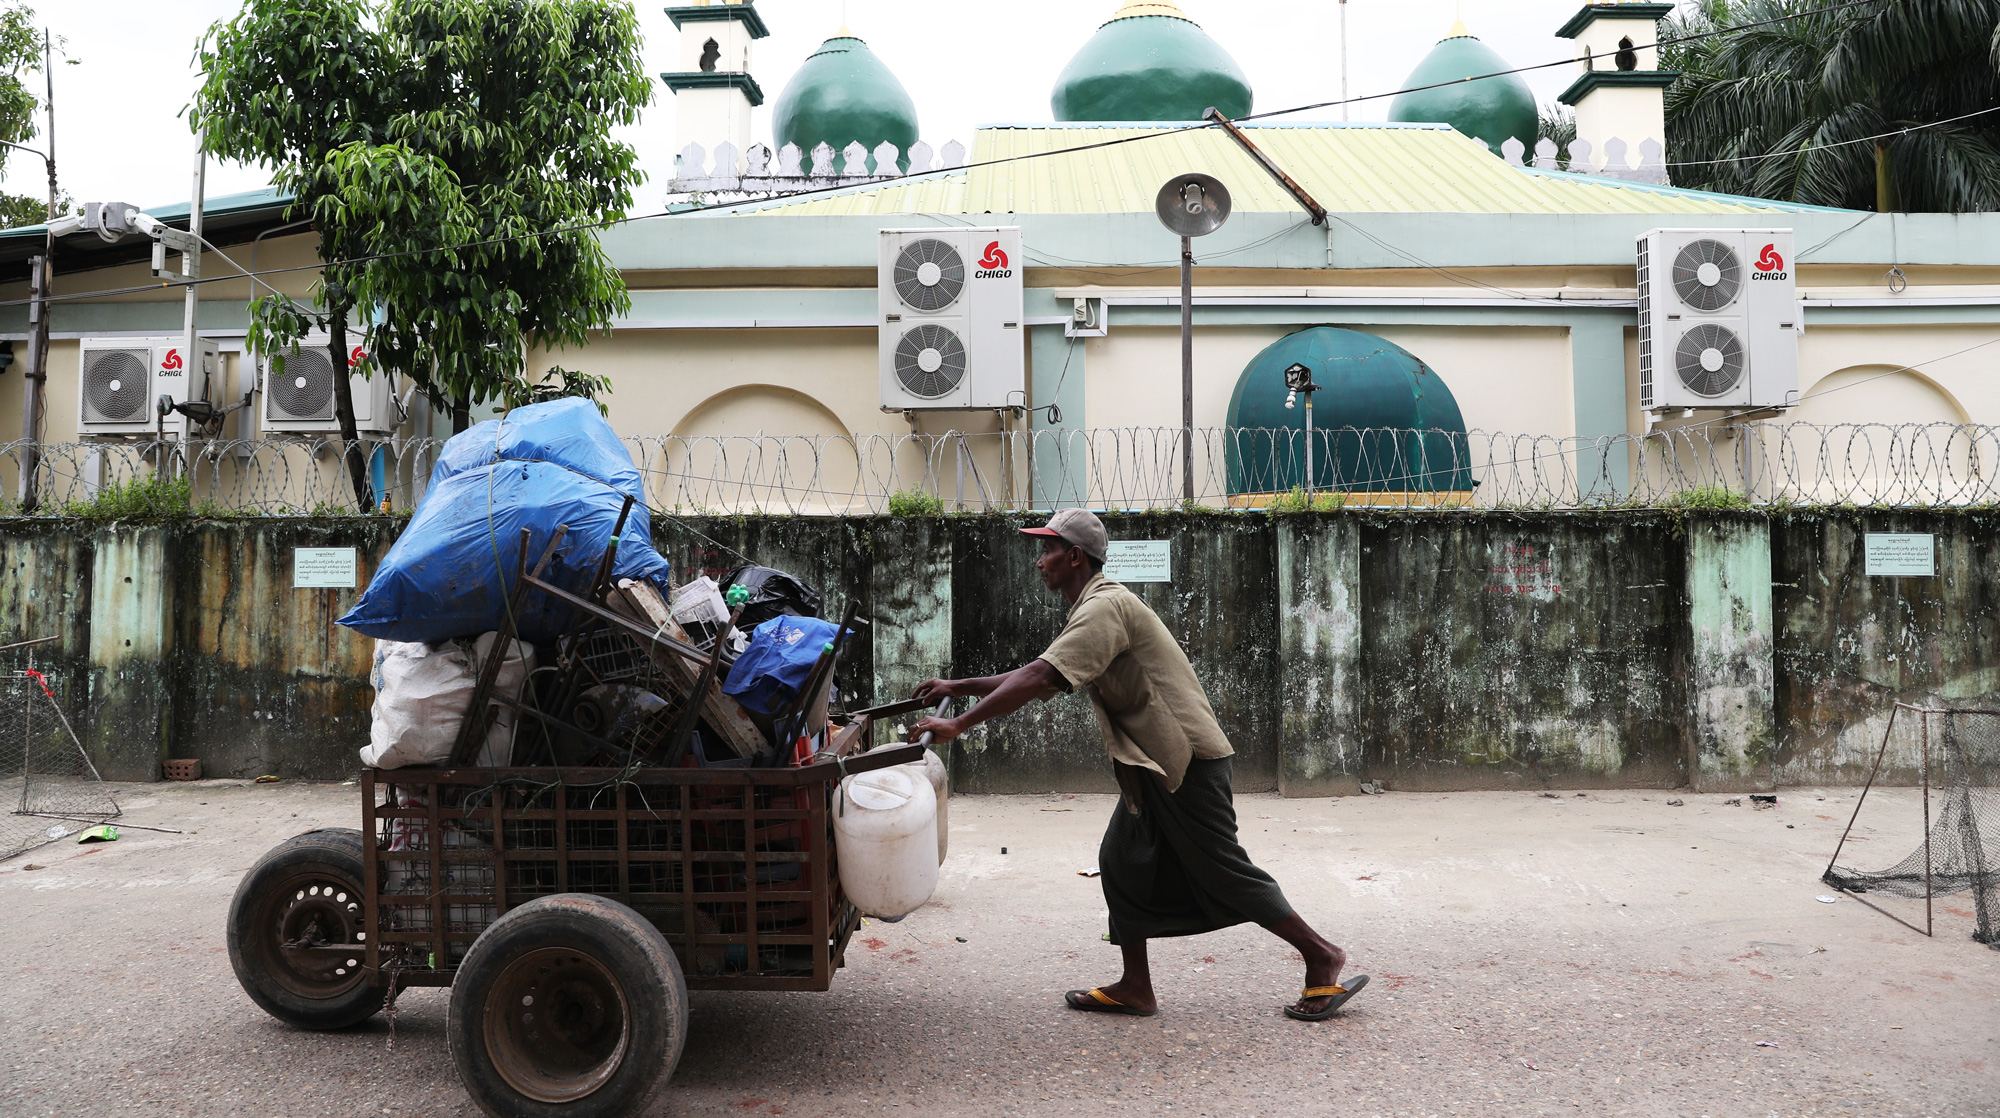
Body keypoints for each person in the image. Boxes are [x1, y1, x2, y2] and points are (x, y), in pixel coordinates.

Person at [910, 508, 1367, 1021]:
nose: (1039, 563)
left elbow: (1040, 677)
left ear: (1074, 556)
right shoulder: (1094, 606)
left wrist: (958, 724)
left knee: (1224, 872)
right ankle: (1135, 986)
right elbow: (1040, 669)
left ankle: (1321, 955)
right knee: (1121, 859)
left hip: (1186, 762)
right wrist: (958, 687)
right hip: (1153, 765)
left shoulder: (1104, 607)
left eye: (1047, 551)